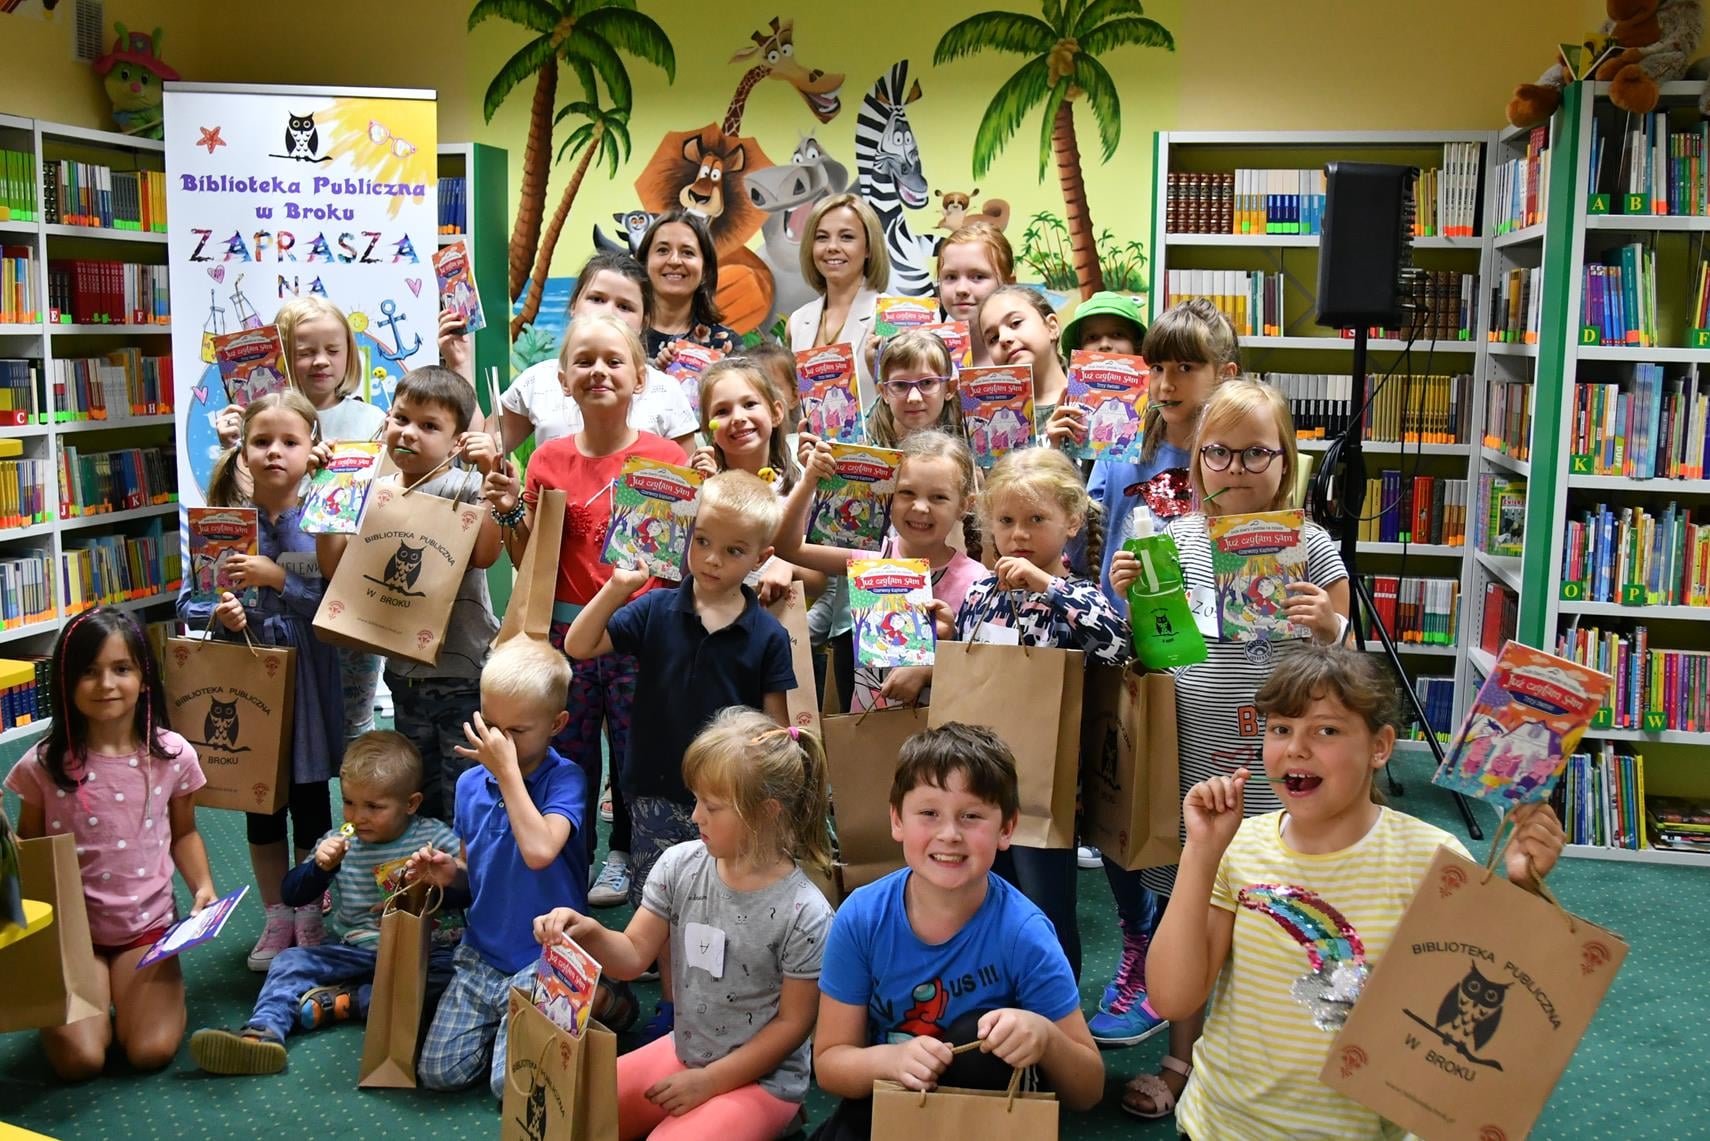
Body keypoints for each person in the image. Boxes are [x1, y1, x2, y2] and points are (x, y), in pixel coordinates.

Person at [1149, 646, 1568, 1137]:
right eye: (1280, 729)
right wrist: (1200, 852)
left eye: (1326, 731)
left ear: (1380, 747)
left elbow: (1492, 1000)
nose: (1295, 748)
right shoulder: (1239, 845)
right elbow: (1173, 999)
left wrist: (1524, 889)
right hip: (1220, 1125)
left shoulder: (1432, 860)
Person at [1107, 377, 1349, 1117]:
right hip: (1195, 758)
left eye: (1256, 453)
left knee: (1288, 905)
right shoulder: (1174, 540)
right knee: (1195, 902)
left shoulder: (1312, 546)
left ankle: (1295, 1052)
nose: (1237, 468)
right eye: (1219, 452)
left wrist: (1328, 625)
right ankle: (1182, 1055)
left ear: (1286, 460)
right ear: (1198, 459)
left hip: (1284, 770)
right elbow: (1152, 649)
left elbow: (1345, 663)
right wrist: (1131, 594)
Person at [562, 469, 798, 1042]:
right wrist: (618, 587)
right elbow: (578, 644)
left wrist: (770, 800)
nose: (712, 559)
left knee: (724, 903)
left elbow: (774, 732)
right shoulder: (655, 609)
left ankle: (728, 1004)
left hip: (729, 802)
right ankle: (673, 1006)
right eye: (703, 541)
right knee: (665, 905)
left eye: (734, 550)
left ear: (762, 558)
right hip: (653, 791)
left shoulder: (767, 635)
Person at [532, 709, 834, 1140]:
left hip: (762, 1080)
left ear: (765, 813)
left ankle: (777, 1121)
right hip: (686, 1050)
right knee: (572, 1108)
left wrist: (710, 1082)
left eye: (711, 807)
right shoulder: (680, 865)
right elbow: (632, 956)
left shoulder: (806, 912)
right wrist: (589, 931)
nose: (695, 817)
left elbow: (792, 1026)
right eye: (696, 800)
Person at [810, 723, 1104, 1141]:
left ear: (1007, 828)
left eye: (971, 816)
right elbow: (830, 1063)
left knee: (976, 1032)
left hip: (985, 1115)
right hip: (888, 1103)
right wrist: (890, 1061)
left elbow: (1088, 1089)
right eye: (929, 813)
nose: (949, 834)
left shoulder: (1025, 934)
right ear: (897, 819)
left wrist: (1045, 1038)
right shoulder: (862, 918)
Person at [482, 313, 688, 896]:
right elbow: (527, 559)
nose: (599, 371)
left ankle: (626, 859)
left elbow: (677, 563)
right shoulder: (546, 460)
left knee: (634, 759)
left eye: (614, 360)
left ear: (640, 378)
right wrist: (508, 510)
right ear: (563, 379)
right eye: (584, 361)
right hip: (562, 641)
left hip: (637, 640)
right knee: (566, 757)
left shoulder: (666, 457)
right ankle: (568, 867)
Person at [936, 447, 1132, 980]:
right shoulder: (981, 591)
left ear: (1072, 522)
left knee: (1046, 909)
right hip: (981, 779)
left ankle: (1056, 1013)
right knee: (986, 897)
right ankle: (998, 996)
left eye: (1036, 520)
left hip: (1047, 788)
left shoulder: (1078, 594)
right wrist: (947, 636)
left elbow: (1116, 645)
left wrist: (1047, 586)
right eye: (1005, 521)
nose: (1019, 534)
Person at [4, 607, 216, 1080]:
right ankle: (89, 999)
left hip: (145, 928)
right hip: (71, 935)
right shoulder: (42, 764)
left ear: (144, 678)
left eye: (121, 669)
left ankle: (148, 988)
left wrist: (202, 886)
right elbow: (29, 850)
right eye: (89, 671)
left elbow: (184, 832)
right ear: (66, 681)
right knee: (80, 1061)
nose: (106, 684)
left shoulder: (173, 755)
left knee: (149, 1051)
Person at [179, 390, 344, 972]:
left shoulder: (323, 521)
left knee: (311, 799)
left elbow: (340, 605)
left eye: (289, 441)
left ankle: (310, 910)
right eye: (262, 441)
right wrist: (220, 613)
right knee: (261, 803)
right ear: (242, 451)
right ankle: (277, 914)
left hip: (307, 678)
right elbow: (190, 602)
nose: (275, 452)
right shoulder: (222, 524)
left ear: (312, 448)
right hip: (247, 679)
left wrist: (278, 578)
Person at [187, 730, 460, 1075]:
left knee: (456, 977)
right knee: (289, 962)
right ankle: (263, 1031)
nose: (357, 816)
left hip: (423, 952)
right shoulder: (339, 841)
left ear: (411, 803)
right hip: (355, 950)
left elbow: (471, 887)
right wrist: (319, 868)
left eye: (373, 806)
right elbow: (292, 893)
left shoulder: (435, 837)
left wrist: (441, 881)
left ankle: (349, 1001)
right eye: (349, 802)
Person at [410, 637, 596, 1098]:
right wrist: (448, 874)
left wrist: (508, 773)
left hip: (547, 958)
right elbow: (474, 871)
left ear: (556, 725)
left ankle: (605, 1000)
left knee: (511, 1088)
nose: (499, 743)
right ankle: (504, 1022)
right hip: (483, 957)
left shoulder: (566, 779)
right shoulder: (470, 784)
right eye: (490, 725)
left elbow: (539, 851)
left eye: (516, 731)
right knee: (439, 1073)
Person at [316, 366, 503, 824]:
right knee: (418, 788)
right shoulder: (372, 490)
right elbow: (333, 566)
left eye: (429, 425)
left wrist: (490, 474)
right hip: (404, 672)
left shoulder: (465, 486)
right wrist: (327, 489)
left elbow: (485, 555)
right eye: (401, 418)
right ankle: (426, 863)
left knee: (466, 789)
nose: (409, 433)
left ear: (457, 441)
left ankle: (465, 865)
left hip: (464, 672)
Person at [215, 298, 389, 744]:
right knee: (284, 722)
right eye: (304, 351)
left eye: (333, 349)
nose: (320, 361)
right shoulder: (257, 418)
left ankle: (353, 788)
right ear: (280, 356)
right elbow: (241, 506)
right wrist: (233, 447)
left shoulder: (371, 420)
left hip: (348, 586)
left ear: (349, 353)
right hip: (279, 607)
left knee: (352, 719)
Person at [775, 427, 983, 711]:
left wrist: (928, 670)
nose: (920, 507)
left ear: (964, 506)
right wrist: (809, 479)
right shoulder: (871, 557)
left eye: (938, 497)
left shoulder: (977, 581)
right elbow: (786, 547)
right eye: (906, 492)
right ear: (887, 494)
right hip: (869, 724)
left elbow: (982, 668)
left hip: (944, 730)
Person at [1089, 298, 1241, 607]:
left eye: (1185, 368)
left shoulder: (1238, 463)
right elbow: (1084, 552)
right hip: (1119, 628)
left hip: (1205, 630)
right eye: (1157, 368)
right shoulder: (1121, 443)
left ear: (1224, 374)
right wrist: (1060, 453)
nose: (1166, 385)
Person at [476, 251, 698, 453]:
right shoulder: (537, 380)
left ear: (644, 322)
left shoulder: (666, 391)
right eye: (597, 299)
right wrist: (462, 360)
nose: (608, 312)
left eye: (624, 306)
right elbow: (483, 448)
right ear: (574, 305)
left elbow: (687, 476)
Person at [787, 193, 888, 401]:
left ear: (869, 248)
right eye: (822, 237)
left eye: (846, 237)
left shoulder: (888, 316)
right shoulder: (797, 322)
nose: (832, 247)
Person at [641, 208, 739, 363]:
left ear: (705, 270)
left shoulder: (724, 343)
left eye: (687, 252)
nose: (674, 261)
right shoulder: (619, 328)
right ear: (644, 263)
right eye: (663, 250)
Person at [979, 285, 1071, 439]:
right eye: (993, 338)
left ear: (1052, 327)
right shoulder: (990, 418)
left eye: (1015, 323)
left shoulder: (1089, 397)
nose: (1003, 338)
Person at [865, 329, 966, 448]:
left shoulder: (970, 437)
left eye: (927, 382)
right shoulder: (860, 442)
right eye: (900, 385)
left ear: (949, 389)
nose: (914, 398)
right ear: (884, 392)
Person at [934, 221, 1015, 368]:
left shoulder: (1025, 350)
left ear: (1008, 283)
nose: (961, 289)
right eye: (951, 277)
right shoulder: (926, 352)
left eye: (978, 276)